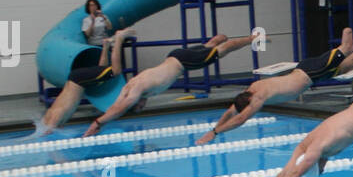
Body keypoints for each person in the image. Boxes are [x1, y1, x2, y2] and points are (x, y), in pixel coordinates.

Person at [195, 28, 353, 144]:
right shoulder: (250, 91)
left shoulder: (258, 97)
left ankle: (347, 31)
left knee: (347, 49)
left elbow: (240, 118)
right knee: (346, 67)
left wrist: (215, 133)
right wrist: (215, 127)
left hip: (311, 72)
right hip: (309, 74)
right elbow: (232, 111)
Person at [83, 32, 256, 136]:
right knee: (208, 47)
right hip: (176, 56)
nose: (141, 106)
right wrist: (104, 120)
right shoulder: (130, 86)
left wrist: (98, 123)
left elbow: (120, 108)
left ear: (136, 101)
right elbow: (115, 106)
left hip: (183, 63)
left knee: (225, 48)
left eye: (139, 107)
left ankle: (251, 38)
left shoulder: (137, 89)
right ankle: (217, 38)